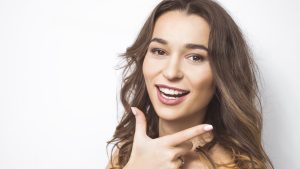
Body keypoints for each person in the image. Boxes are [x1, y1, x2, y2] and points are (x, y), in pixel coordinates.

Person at [106, 0, 274, 168]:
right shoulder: (128, 153)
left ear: (223, 73)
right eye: (159, 51)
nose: (171, 73)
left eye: (195, 57)